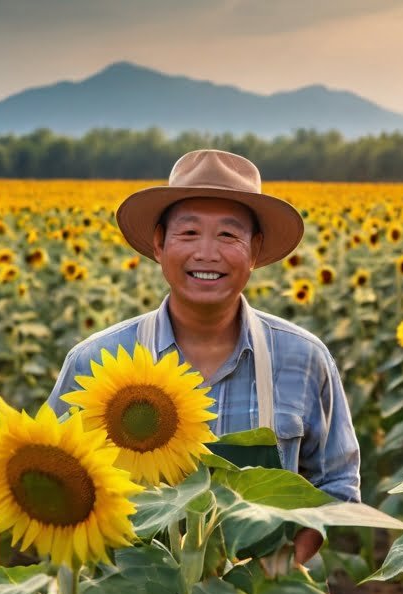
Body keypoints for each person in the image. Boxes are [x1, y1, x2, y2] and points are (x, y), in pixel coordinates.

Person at [48, 149, 361, 564]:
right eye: (189, 233)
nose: (207, 253)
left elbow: (335, 485)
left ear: (255, 250)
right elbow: (56, 479)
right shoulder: (96, 360)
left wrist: (283, 570)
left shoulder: (302, 358)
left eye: (228, 236)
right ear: (159, 243)